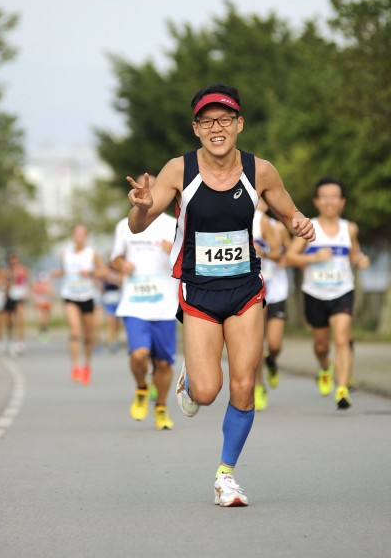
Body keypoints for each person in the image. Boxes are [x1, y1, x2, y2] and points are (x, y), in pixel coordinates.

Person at [126, 83, 315, 506]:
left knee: (244, 384)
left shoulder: (260, 170)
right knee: (208, 391)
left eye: (225, 119)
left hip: (246, 287)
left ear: (239, 124)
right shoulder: (179, 170)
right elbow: (138, 225)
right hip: (198, 290)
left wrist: (301, 223)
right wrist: (140, 205)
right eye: (207, 120)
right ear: (196, 128)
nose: (217, 127)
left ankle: (226, 476)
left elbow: (290, 213)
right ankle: (191, 380)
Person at [286, 177, 369, 410]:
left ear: (342, 201)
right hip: (314, 293)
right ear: (317, 201)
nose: (329, 201)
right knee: (321, 345)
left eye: (334, 197)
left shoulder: (349, 228)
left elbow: (354, 254)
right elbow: (290, 257)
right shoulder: (307, 228)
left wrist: (360, 260)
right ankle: (324, 366)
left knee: (342, 338)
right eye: (324, 197)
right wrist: (314, 257)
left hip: (342, 290)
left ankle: (342, 389)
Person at [110, 175, 178, 431]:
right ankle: (141, 387)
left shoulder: (173, 224)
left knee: (163, 363)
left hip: (164, 304)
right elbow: (114, 259)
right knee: (139, 354)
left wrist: (173, 250)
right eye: (138, 189)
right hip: (134, 303)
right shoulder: (124, 225)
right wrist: (121, 265)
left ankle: (161, 407)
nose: (144, 191)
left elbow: (188, 259)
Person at [52, 224, 105, 385]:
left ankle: (86, 365)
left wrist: (91, 273)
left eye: (82, 234)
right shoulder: (65, 254)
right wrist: (58, 274)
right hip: (70, 296)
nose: (79, 237)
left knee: (88, 336)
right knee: (75, 331)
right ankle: (75, 367)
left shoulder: (92, 253)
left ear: (86, 237)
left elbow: (103, 271)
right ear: (72, 236)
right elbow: (65, 271)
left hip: (87, 296)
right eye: (77, 234)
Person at [252, 200, 282, 410]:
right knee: (256, 340)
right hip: (249, 285)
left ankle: (271, 362)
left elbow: (278, 253)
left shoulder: (261, 221)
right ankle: (258, 385)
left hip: (271, 284)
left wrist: (261, 252)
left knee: (273, 344)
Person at [4, 252, 30, 355]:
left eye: (15, 259)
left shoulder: (23, 270)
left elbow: (27, 282)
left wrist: (28, 292)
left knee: (21, 320)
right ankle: (11, 339)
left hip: (20, 297)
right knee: (10, 321)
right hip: (10, 297)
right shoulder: (7, 272)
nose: (13, 261)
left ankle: (20, 343)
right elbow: (4, 284)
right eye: (11, 259)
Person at [100, 266, 123, 353]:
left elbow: (121, 283)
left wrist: (115, 280)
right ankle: (111, 341)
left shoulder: (120, 271)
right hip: (108, 298)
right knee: (111, 320)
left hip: (118, 297)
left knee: (117, 322)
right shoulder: (105, 270)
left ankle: (116, 338)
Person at [31, 271, 54, 343]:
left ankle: (45, 332)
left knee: (45, 320)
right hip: (39, 304)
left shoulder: (48, 285)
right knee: (40, 319)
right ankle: (41, 332)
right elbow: (33, 294)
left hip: (46, 303)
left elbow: (51, 293)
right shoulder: (36, 285)